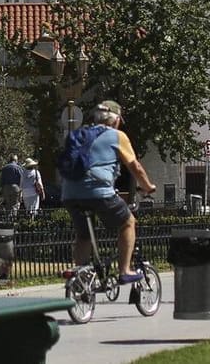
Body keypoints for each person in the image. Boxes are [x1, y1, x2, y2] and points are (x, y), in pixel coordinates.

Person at [59, 100, 156, 283]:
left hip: (69, 193)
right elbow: (135, 166)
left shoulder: (78, 134)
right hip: (98, 192)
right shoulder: (117, 136)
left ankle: (80, 276)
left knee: (83, 234)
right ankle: (125, 270)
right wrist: (148, 186)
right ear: (116, 119)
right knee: (128, 222)